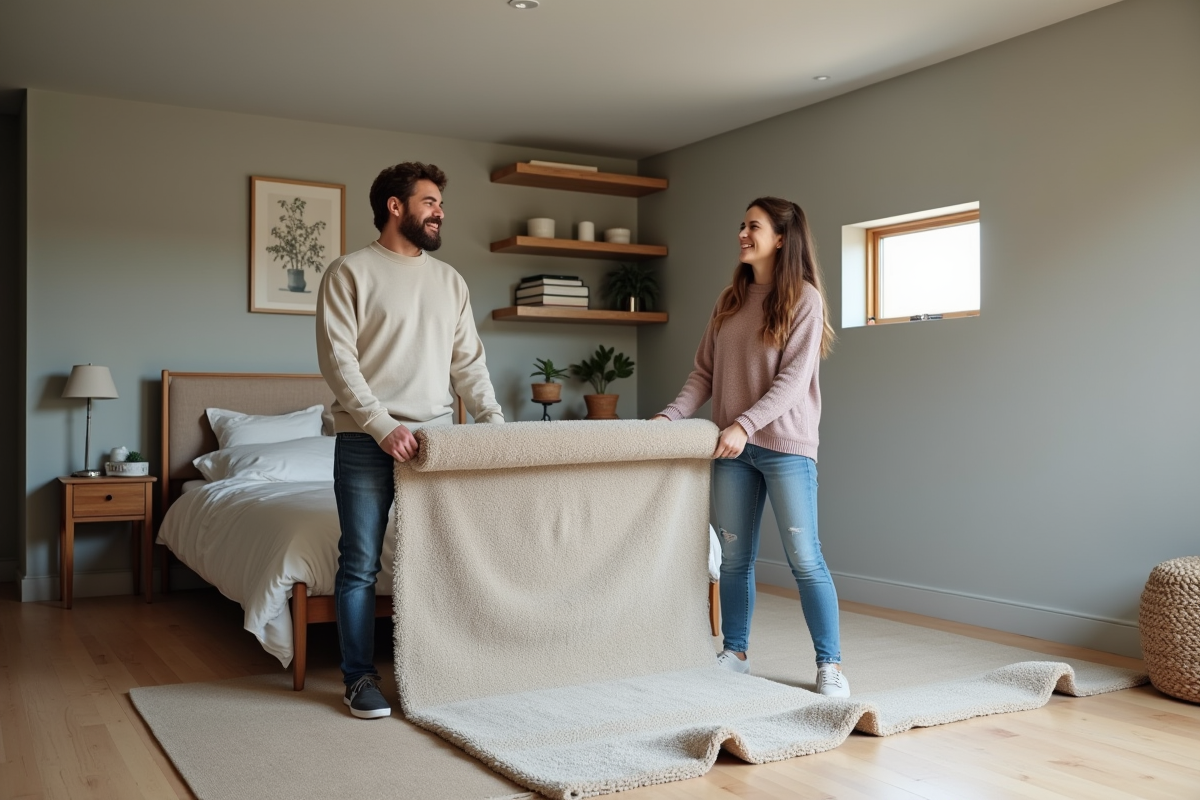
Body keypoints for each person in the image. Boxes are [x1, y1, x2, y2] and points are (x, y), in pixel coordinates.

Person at [315, 162, 504, 719]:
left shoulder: (450, 281)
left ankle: (433, 670)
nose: (440, 210)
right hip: (365, 441)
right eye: (429, 201)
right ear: (395, 207)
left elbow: (469, 364)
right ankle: (358, 678)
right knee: (360, 564)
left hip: (437, 444)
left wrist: (494, 427)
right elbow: (338, 361)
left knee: (435, 564)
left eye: (440, 202)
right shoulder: (349, 272)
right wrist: (381, 425)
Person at [652, 196, 849, 698]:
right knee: (735, 559)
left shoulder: (804, 299)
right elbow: (704, 374)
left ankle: (830, 665)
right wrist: (671, 416)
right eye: (741, 225)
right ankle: (735, 653)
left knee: (806, 558)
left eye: (753, 226)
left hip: (785, 446)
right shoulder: (729, 300)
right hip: (733, 451)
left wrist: (743, 423)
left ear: (781, 238)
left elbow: (791, 381)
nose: (743, 233)